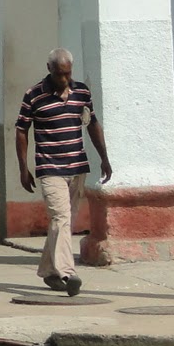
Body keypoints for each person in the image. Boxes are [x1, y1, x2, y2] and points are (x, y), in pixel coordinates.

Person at [14, 48, 112, 296]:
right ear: (49, 69)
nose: (65, 79)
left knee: (64, 223)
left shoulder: (81, 93)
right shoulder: (33, 96)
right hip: (50, 169)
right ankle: (68, 273)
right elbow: (21, 130)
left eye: (68, 74)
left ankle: (48, 271)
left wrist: (104, 157)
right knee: (60, 218)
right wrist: (23, 168)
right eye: (60, 74)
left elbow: (92, 124)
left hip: (77, 167)